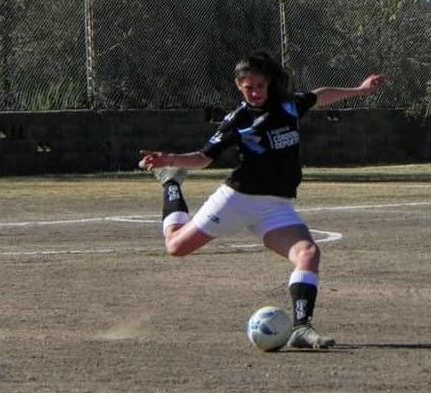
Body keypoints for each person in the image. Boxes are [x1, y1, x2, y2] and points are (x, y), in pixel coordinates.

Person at [139, 50, 386, 349]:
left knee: (308, 253)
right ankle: (171, 184)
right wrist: (170, 159)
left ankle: (302, 328)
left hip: (276, 207)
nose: (254, 92)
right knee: (175, 247)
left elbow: (320, 96)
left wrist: (359, 90)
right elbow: (204, 158)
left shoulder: (289, 106)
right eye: (248, 87)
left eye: (259, 85)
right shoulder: (238, 120)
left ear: (269, 83)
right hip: (237, 200)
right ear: (238, 87)